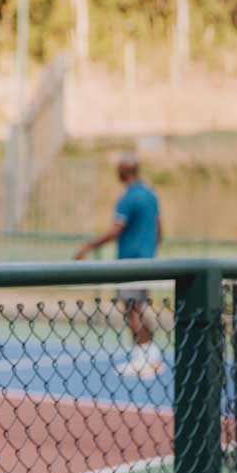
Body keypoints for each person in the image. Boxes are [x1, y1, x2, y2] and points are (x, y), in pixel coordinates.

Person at [75, 153, 163, 377]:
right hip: (147, 260)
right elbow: (160, 230)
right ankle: (149, 355)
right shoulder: (151, 195)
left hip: (130, 262)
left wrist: (89, 246)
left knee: (133, 309)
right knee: (140, 306)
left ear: (123, 172)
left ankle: (142, 358)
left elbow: (116, 230)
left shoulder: (128, 198)